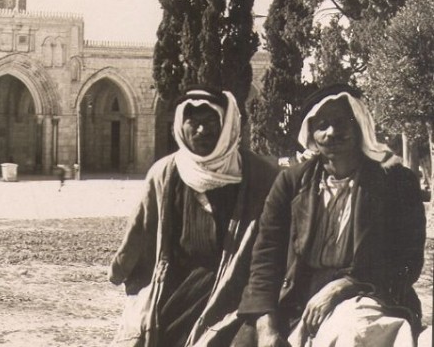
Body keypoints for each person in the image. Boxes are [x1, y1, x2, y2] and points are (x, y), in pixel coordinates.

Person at [238, 84, 426, 346]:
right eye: (322, 125)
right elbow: (265, 258)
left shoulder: (395, 182)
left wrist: (345, 285)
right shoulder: (291, 183)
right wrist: (265, 324)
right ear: (311, 133)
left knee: (352, 331)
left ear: (358, 125)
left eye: (341, 122)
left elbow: (407, 261)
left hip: (371, 295)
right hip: (297, 298)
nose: (332, 132)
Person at [109, 87, 280, 346]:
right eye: (194, 122)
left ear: (226, 126)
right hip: (177, 287)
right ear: (180, 125)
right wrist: (121, 269)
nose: (201, 131)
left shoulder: (259, 175)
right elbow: (142, 227)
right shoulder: (165, 173)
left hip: (236, 289)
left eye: (211, 122)